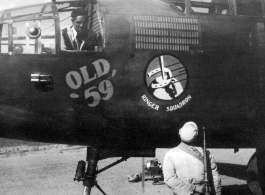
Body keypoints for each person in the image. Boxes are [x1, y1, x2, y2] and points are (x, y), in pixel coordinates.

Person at [163, 121, 221, 195]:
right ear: (195, 135)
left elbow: (170, 180)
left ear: (180, 133)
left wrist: (191, 190)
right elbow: (215, 178)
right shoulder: (205, 153)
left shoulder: (170, 154)